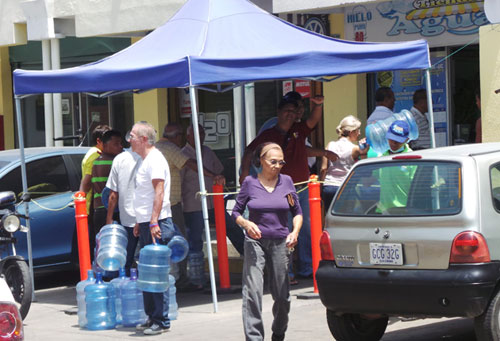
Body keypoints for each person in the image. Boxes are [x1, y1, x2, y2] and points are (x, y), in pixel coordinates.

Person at [240, 93, 326, 279]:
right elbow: (249, 151)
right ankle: (286, 272)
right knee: (284, 230)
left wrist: (318, 105)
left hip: (303, 188)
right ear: (278, 112)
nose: (290, 114)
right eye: (286, 110)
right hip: (281, 190)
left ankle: (307, 268)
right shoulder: (269, 135)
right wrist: (244, 173)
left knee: (305, 230)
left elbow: (313, 121)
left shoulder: (298, 129)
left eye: (293, 111)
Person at [232, 143, 303, 341]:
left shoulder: (287, 182)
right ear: (261, 161)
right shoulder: (249, 182)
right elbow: (236, 212)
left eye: (281, 162)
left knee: (282, 296)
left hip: (281, 241)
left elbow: (296, 212)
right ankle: (254, 337)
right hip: (255, 241)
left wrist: (295, 232)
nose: (278, 165)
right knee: (253, 292)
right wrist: (246, 224)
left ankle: (279, 332)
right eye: (273, 161)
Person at [155, 122, 225, 290]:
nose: (200, 138)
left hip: (163, 204)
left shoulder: (156, 148)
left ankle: (176, 278)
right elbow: (191, 165)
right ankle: (181, 279)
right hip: (175, 204)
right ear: (181, 137)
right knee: (180, 241)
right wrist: (212, 175)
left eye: (202, 134)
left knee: (169, 241)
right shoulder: (172, 149)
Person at [129, 121, 177, 335]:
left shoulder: (155, 159)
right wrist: (141, 222)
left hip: (157, 223)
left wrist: (154, 220)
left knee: (157, 274)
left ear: (144, 139)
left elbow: (159, 192)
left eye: (132, 136)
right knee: (147, 272)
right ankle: (152, 316)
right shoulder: (143, 160)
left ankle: (161, 320)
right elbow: (145, 195)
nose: (129, 140)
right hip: (147, 223)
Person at [181, 124, 225, 289]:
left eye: (202, 133)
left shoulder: (207, 151)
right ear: (188, 136)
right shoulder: (183, 154)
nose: (200, 136)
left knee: (230, 227)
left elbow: (219, 170)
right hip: (193, 204)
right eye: (196, 134)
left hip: (213, 202)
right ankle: (196, 278)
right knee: (195, 240)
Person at [105, 146, 142, 276]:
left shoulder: (119, 159)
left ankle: (125, 287)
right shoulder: (152, 157)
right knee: (149, 260)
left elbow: (113, 194)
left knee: (125, 260)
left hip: (127, 218)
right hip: (147, 218)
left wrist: (109, 220)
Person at [320, 115, 367, 209]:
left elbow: (323, 168)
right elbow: (364, 165)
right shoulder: (355, 149)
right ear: (351, 132)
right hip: (345, 187)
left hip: (329, 186)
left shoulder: (330, 145)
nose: (359, 133)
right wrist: (365, 149)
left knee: (330, 217)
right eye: (358, 130)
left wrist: (321, 186)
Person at [79, 124, 111, 252]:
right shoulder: (95, 156)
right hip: (93, 205)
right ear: (98, 141)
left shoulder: (97, 153)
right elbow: (86, 181)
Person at [377, 120, 415, 213]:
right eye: (391, 139)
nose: (393, 143)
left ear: (406, 140)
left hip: (404, 210)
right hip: (383, 210)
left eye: (398, 140)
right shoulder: (382, 157)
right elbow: (369, 180)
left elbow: (416, 187)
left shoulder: (412, 159)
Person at [90, 129, 123, 234]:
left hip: (98, 209)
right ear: (104, 145)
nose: (120, 146)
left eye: (121, 143)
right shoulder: (114, 162)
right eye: (116, 144)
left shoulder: (96, 161)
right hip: (111, 209)